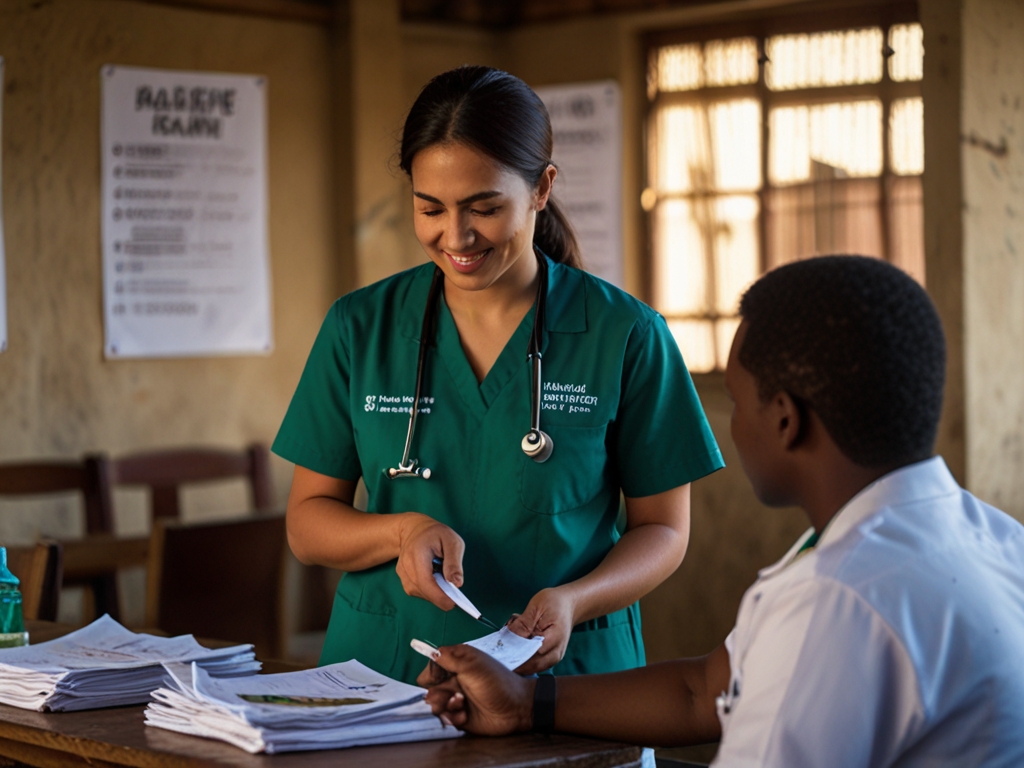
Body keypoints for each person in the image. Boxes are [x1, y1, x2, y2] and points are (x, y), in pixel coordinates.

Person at [418, 255, 1024, 767]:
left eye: (736, 401)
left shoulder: (836, 601)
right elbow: (704, 690)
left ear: (786, 420)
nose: (729, 425)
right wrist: (525, 703)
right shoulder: (993, 539)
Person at [273, 65, 724, 685]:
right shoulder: (360, 327)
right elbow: (307, 521)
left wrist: (577, 600)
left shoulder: (626, 334)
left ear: (542, 188)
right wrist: (402, 530)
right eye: (430, 208)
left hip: (564, 683)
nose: (455, 236)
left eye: (484, 208)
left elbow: (665, 530)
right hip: (386, 674)